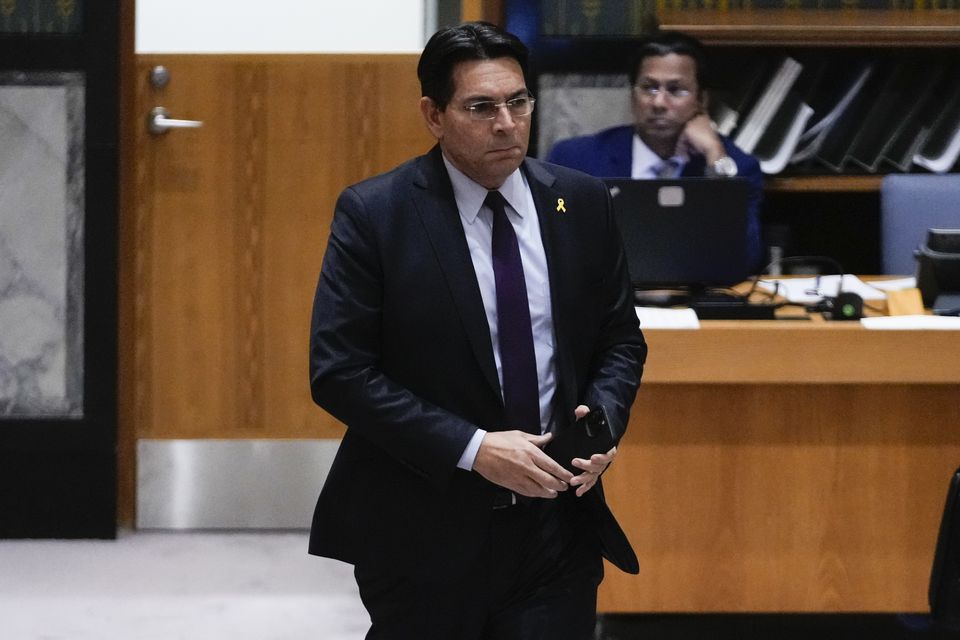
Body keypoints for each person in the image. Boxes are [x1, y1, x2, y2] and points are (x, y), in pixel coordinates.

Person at [308, 21, 647, 640]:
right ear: (433, 115)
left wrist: (598, 426)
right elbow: (340, 373)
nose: (506, 123)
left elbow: (620, 340)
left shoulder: (581, 202)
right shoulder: (377, 215)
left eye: (518, 102)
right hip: (424, 524)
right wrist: (473, 448)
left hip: (556, 521)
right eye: (481, 107)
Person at [546, 30, 764, 271]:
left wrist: (714, 156)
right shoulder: (575, 160)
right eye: (649, 88)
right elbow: (553, 245)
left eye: (676, 90)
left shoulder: (738, 168)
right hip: (603, 301)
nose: (659, 103)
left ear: (702, 100)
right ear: (632, 95)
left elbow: (747, 258)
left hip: (694, 302)